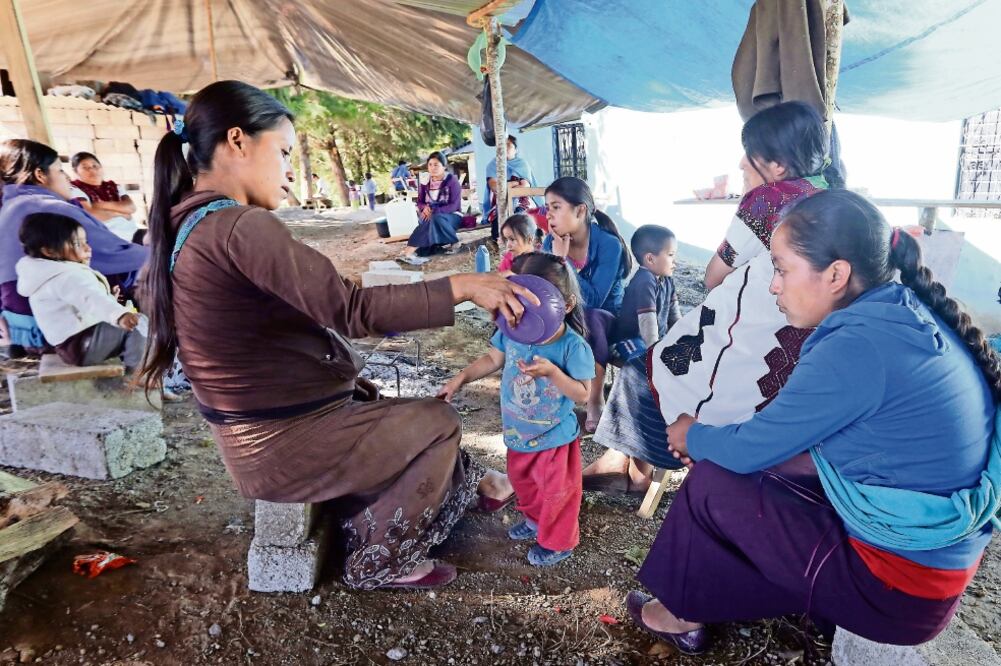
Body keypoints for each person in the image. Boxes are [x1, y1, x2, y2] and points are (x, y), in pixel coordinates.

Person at [139, 80, 535, 590]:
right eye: (282, 151)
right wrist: (461, 285)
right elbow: (349, 308)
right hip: (280, 445)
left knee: (401, 410)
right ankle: (379, 558)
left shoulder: (189, 225)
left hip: (263, 437)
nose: (287, 172)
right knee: (438, 421)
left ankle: (452, 491)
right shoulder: (236, 228)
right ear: (238, 141)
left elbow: (321, 299)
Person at [628, 189, 1001, 654]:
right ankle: (717, 598)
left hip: (897, 591)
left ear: (837, 274)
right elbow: (793, 445)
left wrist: (692, 435)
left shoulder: (855, 346)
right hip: (927, 565)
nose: (774, 286)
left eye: (782, 270)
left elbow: (749, 449)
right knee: (746, 465)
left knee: (712, 483)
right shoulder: (898, 314)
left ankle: (680, 615)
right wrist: (715, 442)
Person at [587, 101, 834, 495]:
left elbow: (714, 276)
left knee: (643, 371)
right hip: (792, 354)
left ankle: (637, 468)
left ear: (777, 167)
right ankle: (620, 462)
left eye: (748, 156)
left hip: (756, 348)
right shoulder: (832, 199)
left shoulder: (769, 201)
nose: (739, 165)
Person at [437, 252, 594, 566]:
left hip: (554, 439)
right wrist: (460, 379)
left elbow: (582, 393)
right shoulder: (513, 329)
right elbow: (493, 359)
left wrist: (553, 373)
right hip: (517, 432)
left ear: (565, 305)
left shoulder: (572, 346)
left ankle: (558, 542)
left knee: (557, 493)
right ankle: (536, 521)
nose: (524, 319)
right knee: (525, 484)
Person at [0, 139, 147, 356]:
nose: (67, 178)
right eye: (60, 171)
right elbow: (113, 254)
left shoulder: (8, 206)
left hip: (18, 323)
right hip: (63, 328)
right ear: (40, 175)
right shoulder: (48, 207)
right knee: (151, 270)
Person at [542, 176, 630, 432]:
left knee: (590, 317)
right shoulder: (552, 241)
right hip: (570, 314)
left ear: (580, 211)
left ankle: (594, 400)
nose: (549, 215)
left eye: (556, 207)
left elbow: (593, 300)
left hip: (608, 320)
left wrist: (562, 260)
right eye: (547, 208)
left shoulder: (608, 245)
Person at [16, 212, 144, 372]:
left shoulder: (47, 273)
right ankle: (138, 374)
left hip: (72, 345)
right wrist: (119, 315)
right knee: (140, 326)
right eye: (77, 244)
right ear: (49, 251)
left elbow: (82, 302)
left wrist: (109, 298)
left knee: (134, 326)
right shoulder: (66, 276)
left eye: (86, 242)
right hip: (83, 343)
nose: (87, 248)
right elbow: (91, 299)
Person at [608, 225, 680, 364]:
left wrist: (683, 338)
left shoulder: (668, 280)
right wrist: (655, 352)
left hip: (657, 340)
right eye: (671, 255)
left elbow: (674, 316)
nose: (675, 261)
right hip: (632, 340)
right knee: (647, 365)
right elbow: (648, 323)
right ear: (650, 259)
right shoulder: (644, 281)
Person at [401, 152, 462, 258]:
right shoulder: (425, 182)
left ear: (444, 166)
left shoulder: (452, 180)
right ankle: (415, 249)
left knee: (435, 218)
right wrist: (424, 208)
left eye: (436, 165)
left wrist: (434, 211)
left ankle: (410, 249)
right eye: (430, 165)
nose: (433, 168)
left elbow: (455, 205)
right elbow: (420, 202)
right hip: (431, 216)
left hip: (452, 216)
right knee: (424, 244)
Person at [69, 152, 139, 241]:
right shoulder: (74, 188)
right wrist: (120, 213)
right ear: (76, 171)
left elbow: (131, 208)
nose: (92, 170)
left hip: (133, 235)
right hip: (106, 240)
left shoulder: (114, 186)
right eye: (85, 167)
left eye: (95, 166)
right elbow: (90, 214)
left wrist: (99, 205)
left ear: (101, 168)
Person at [482, 135, 537, 241]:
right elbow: (495, 187)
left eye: (508, 145)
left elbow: (524, 187)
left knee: (521, 217)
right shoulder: (492, 165)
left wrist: (505, 186)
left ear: (515, 150)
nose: (504, 148)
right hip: (500, 201)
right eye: (501, 145)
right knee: (498, 227)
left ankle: (524, 243)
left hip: (521, 200)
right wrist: (514, 183)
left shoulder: (522, 164)